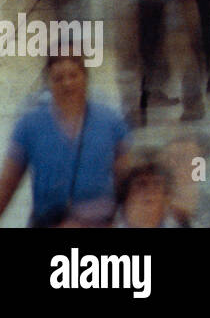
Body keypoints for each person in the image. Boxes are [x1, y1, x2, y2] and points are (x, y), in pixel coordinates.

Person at [0, 55, 133, 227]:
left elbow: (125, 184)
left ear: (85, 78)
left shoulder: (112, 122)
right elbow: (7, 187)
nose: (67, 84)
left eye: (73, 75)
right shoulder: (29, 126)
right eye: (58, 78)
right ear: (48, 83)